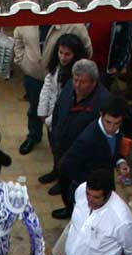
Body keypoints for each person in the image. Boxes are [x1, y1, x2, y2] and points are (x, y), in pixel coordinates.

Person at [13, 24, 93, 156]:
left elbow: (86, 50)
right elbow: (18, 38)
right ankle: (33, 136)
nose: (62, 56)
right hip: (34, 76)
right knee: (34, 109)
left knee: (63, 115)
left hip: (63, 80)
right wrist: (21, 61)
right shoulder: (28, 16)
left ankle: (60, 146)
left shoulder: (74, 25)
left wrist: (73, 73)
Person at [50, 60, 110, 219]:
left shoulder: (103, 101)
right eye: (75, 80)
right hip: (62, 148)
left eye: (82, 82)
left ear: (93, 82)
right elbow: (58, 109)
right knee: (64, 181)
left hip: (83, 159)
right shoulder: (69, 85)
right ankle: (68, 208)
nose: (77, 85)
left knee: (78, 191)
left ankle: (78, 213)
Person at [58, 96, 131, 211]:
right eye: (108, 122)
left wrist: (121, 162)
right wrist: (92, 185)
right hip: (91, 192)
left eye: (116, 123)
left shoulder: (118, 131)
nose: (112, 128)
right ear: (101, 114)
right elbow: (67, 165)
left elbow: (113, 152)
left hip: (106, 186)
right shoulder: (87, 139)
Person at [37, 33, 88, 188]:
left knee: (65, 153)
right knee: (55, 149)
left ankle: (62, 181)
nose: (63, 57)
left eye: (67, 54)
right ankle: (55, 171)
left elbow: (67, 106)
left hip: (64, 122)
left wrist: (49, 119)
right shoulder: (57, 67)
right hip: (51, 117)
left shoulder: (78, 76)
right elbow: (48, 85)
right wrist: (42, 110)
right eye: (60, 53)